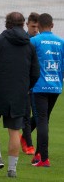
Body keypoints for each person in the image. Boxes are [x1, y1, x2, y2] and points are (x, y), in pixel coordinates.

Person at [0, 12, 40, 178]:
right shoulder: (30, 46)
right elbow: (35, 73)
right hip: (19, 94)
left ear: (7, 24)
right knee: (14, 131)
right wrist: (26, 87)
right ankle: (12, 170)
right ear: (23, 24)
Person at [30, 13, 64, 167]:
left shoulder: (34, 41)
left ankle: (44, 158)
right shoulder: (61, 42)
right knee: (44, 120)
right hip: (56, 86)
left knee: (41, 120)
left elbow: (27, 63)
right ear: (52, 25)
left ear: (38, 26)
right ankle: (38, 154)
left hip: (39, 87)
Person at [20, 12, 40, 155]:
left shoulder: (40, 41)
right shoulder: (23, 40)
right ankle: (29, 144)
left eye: (38, 27)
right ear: (27, 25)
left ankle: (24, 137)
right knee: (26, 114)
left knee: (39, 115)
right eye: (33, 26)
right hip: (25, 83)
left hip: (39, 83)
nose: (35, 29)